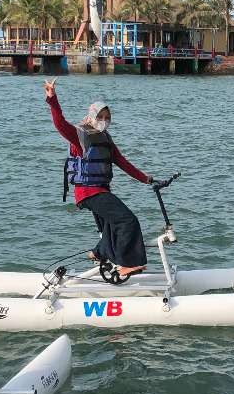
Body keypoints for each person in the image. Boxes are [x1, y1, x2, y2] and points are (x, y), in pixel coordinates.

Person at [43, 78, 155, 276]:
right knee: (128, 221)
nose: (104, 120)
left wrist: (146, 179)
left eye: (107, 116)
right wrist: (52, 99)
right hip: (88, 192)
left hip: (100, 191)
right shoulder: (81, 135)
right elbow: (60, 124)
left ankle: (100, 251)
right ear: (92, 115)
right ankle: (130, 263)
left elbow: (122, 162)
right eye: (100, 116)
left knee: (112, 225)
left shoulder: (105, 138)